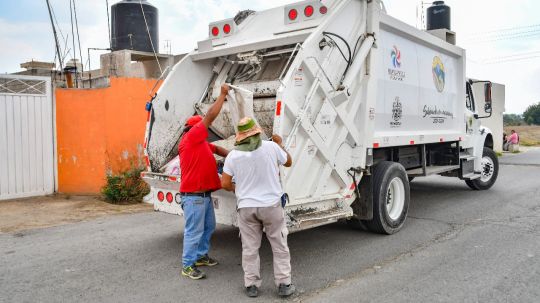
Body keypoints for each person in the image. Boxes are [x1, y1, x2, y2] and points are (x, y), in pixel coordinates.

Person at [221, 117, 295, 298]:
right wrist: (280, 143)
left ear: (240, 136)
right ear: (256, 132)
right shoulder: (271, 147)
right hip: (271, 206)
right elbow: (288, 162)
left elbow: (224, 183)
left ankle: (251, 285)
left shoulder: (233, 155)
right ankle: (284, 284)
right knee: (279, 246)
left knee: (250, 248)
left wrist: (239, 190)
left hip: (246, 208)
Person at [179, 84, 230, 280]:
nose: (205, 131)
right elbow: (209, 116)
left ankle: (200, 256)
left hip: (204, 195)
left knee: (208, 227)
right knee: (193, 231)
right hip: (194, 197)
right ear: (193, 129)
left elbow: (217, 150)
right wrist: (222, 95)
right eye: (201, 127)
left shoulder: (200, 144)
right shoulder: (191, 138)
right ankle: (188, 265)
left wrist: (234, 155)